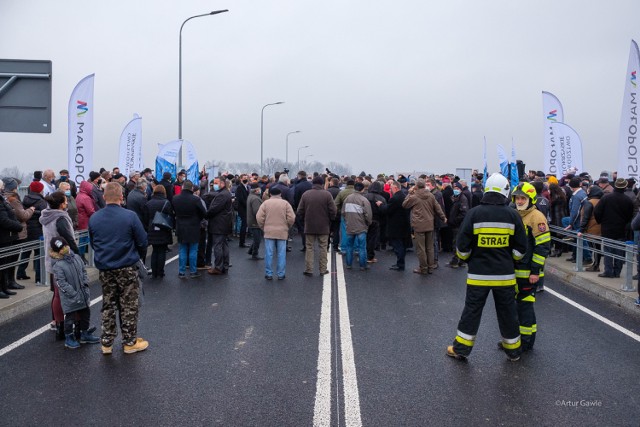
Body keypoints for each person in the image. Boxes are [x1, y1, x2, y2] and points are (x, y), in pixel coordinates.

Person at [447, 173, 528, 362]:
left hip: (478, 275)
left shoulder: (474, 214)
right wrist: (510, 260)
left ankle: (461, 350)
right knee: (508, 313)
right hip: (505, 276)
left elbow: (462, 247)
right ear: (505, 191)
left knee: (471, 312)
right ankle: (514, 352)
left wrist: (470, 260)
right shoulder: (513, 215)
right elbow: (521, 248)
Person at [89, 182, 149, 355]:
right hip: (126, 265)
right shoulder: (130, 216)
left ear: (104, 197)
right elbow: (143, 241)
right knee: (128, 304)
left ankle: (106, 342)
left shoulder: (95, 218)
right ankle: (129, 341)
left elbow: (93, 243)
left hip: (105, 267)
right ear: (121, 197)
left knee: (108, 303)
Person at [511, 182, 550, 351]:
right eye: (517, 198)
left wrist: (535, 271)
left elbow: (542, 247)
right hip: (513, 271)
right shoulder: (514, 214)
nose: (519, 201)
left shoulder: (537, 217)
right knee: (514, 308)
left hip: (528, 273)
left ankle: (526, 342)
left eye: (522, 198)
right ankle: (514, 339)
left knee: (525, 307)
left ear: (530, 198)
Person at [40, 191, 81, 339]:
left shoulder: (45, 216)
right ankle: (77, 326)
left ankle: (59, 327)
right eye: (65, 201)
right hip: (65, 260)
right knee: (73, 293)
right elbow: (69, 239)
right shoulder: (61, 218)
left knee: (57, 295)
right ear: (61, 204)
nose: (66, 203)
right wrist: (78, 255)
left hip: (51, 259)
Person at [49, 236, 100, 349]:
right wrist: (73, 293)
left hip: (82, 292)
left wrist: (85, 283)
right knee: (70, 317)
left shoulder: (76, 257)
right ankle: (69, 337)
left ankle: (84, 333)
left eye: (65, 246)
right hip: (70, 296)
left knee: (85, 314)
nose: (64, 249)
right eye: (61, 248)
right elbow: (61, 283)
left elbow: (83, 271)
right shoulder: (58, 265)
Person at [402, 179, 446, 275]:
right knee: (430, 247)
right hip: (430, 224)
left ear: (416, 186)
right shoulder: (431, 195)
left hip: (419, 225)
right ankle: (430, 267)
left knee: (421, 248)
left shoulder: (414, 196)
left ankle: (423, 268)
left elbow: (404, 205)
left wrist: (409, 193)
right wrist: (443, 217)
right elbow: (437, 207)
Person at [593, 178, 634, 278]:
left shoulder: (606, 198)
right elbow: (630, 216)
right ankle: (617, 272)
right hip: (621, 229)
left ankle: (608, 271)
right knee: (619, 251)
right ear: (625, 187)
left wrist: (601, 221)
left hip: (607, 228)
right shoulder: (628, 200)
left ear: (615, 186)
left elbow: (597, 211)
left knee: (608, 250)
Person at [297, 176, 337, 276]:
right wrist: (331, 219)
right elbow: (333, 210)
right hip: (323, 225)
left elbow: (299, 211)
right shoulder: (327, 194)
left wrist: (304, 220)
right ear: (322, 184)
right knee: (323, 247)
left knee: (309, 247)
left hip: (309, 225)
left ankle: (309, 269)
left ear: (313, 184)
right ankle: (323, 269)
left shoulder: (306, 194)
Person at [256, 187, 296, 280]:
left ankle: (268, 273)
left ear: (270, 194)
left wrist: (263, 227)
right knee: (281, 253)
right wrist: (287, 226)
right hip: (282, 231)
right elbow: (291, 218)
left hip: (269, 231)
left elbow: (259, 217)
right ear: (280, 194)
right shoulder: (285, 203)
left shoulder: (265, 203)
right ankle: (281, 274)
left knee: (269, 253)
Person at [171, 180, 205, 279]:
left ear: (182, 187)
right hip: (194, 226)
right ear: (192, 188)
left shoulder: (175, 198)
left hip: (181, 225)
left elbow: (173, 211)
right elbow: (203, 213)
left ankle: (181, 272)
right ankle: (193, 271)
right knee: (193, 250)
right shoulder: (196, 200)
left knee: (182, 249)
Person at [17, 180, 48, 284]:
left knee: (25, 252)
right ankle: (39, 277)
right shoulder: (41, 201)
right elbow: (44, 214)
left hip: (27, 228)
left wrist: (32, 212)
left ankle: (20, 273)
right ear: (40, 190)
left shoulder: (25, 199)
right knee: (39, 254)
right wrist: (36, 212)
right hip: (38, 229)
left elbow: (24, 212)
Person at [379, 180, 411, 271]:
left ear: (396, 188)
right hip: (403, 224)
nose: (390, 190)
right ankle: (400, 263)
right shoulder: (403, 196)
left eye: (391, 188)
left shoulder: (395, 198)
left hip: (396, 225)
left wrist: (381, 205)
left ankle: (400, 264)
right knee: (401, 245)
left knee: (398, 246)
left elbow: (388, 210)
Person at [0, 179, 24, 299]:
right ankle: (2, 288)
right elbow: (3, 220)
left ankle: (4, 287)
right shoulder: (2, 201)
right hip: (4, 236)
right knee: (2, 264)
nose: (3, 189)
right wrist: (18, 226)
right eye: (2, 187)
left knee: (6, 264)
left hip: (8, 236)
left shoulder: (2, 200)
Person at [144, 185, 174, 279]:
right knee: (161, 251)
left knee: (154, 251)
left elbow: (146, 217)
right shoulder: (166, 202)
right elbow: (170, 216)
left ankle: (154, 273)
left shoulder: (148, 203)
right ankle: (160, 272)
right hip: (163, 228)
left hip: (152, 228)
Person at [342, 182, 372, 270]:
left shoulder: (347, 198)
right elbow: (368, 214)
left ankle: (348, 264)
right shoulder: (364, 200)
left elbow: (343, 212)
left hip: (350, 226)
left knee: (349, 246)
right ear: (363, 189)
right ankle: (363, 265)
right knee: (362, 247)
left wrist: (347, 220)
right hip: (361, 226)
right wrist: (368, 223)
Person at [206, 177, 233, 275]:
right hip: (224, 223)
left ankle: (218, 267)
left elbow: (214, 209)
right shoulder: (225, 193)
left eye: (216, 183)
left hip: (218, 224)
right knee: (224, 245)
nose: (214, 185)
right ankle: (224, 266)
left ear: (222, 183)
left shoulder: (222, 195)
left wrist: (206, 214)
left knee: (217, 246)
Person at [246, 183, 264, 260]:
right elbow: (257, 211)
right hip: (255, 222)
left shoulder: (251, 196)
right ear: (256, 190)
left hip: (251, 220)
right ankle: (254, 254)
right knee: (257, 239)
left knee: (257, 238)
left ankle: (251, 250)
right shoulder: (256, 199)